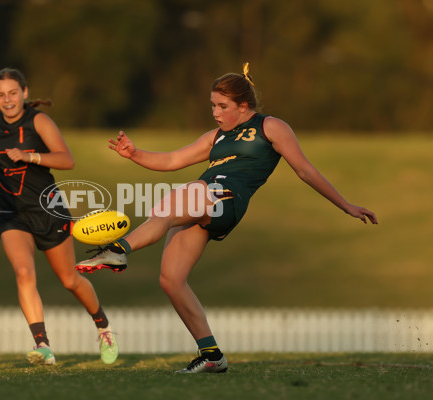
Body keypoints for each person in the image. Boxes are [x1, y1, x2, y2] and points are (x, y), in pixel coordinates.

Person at [76, 63, 378, 373]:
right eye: (213, 105)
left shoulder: (270, 127)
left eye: (223, 106)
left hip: (226, 197)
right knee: (171, 279)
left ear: (244, 106)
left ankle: (118, 250)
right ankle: (211, 355)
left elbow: (305, 170)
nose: (216, 112)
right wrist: (135, 153)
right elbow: (172, 159)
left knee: (174, 202)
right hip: (206, 202)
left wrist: (346, 205)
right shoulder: (216, 137)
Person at [0, 68, 118, 365]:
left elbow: (67, 160)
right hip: (9, 212)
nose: (7, 100)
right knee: (23, 273)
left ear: (24, 93)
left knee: (69, 280)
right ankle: (43, 345)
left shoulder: (39, 121)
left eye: (12, 93)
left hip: (48, 209)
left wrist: (30, 156)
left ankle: (103, 327)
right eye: (0, 95)